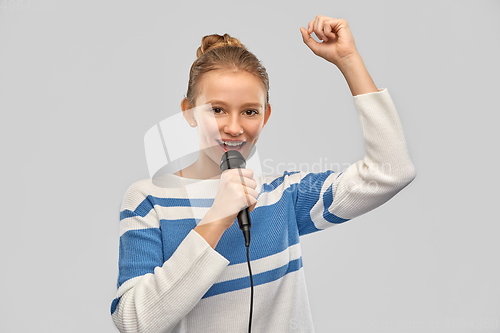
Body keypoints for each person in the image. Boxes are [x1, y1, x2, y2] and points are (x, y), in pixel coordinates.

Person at [111, 15, 416, 333]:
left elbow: (391, 172)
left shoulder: (283, 196)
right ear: (189, 112)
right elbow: (135, 322)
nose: (233, 127)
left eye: (249, 111)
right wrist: (217, 218)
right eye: (217, 109)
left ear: (265, 115)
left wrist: (349, 60)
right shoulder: (150, 199)